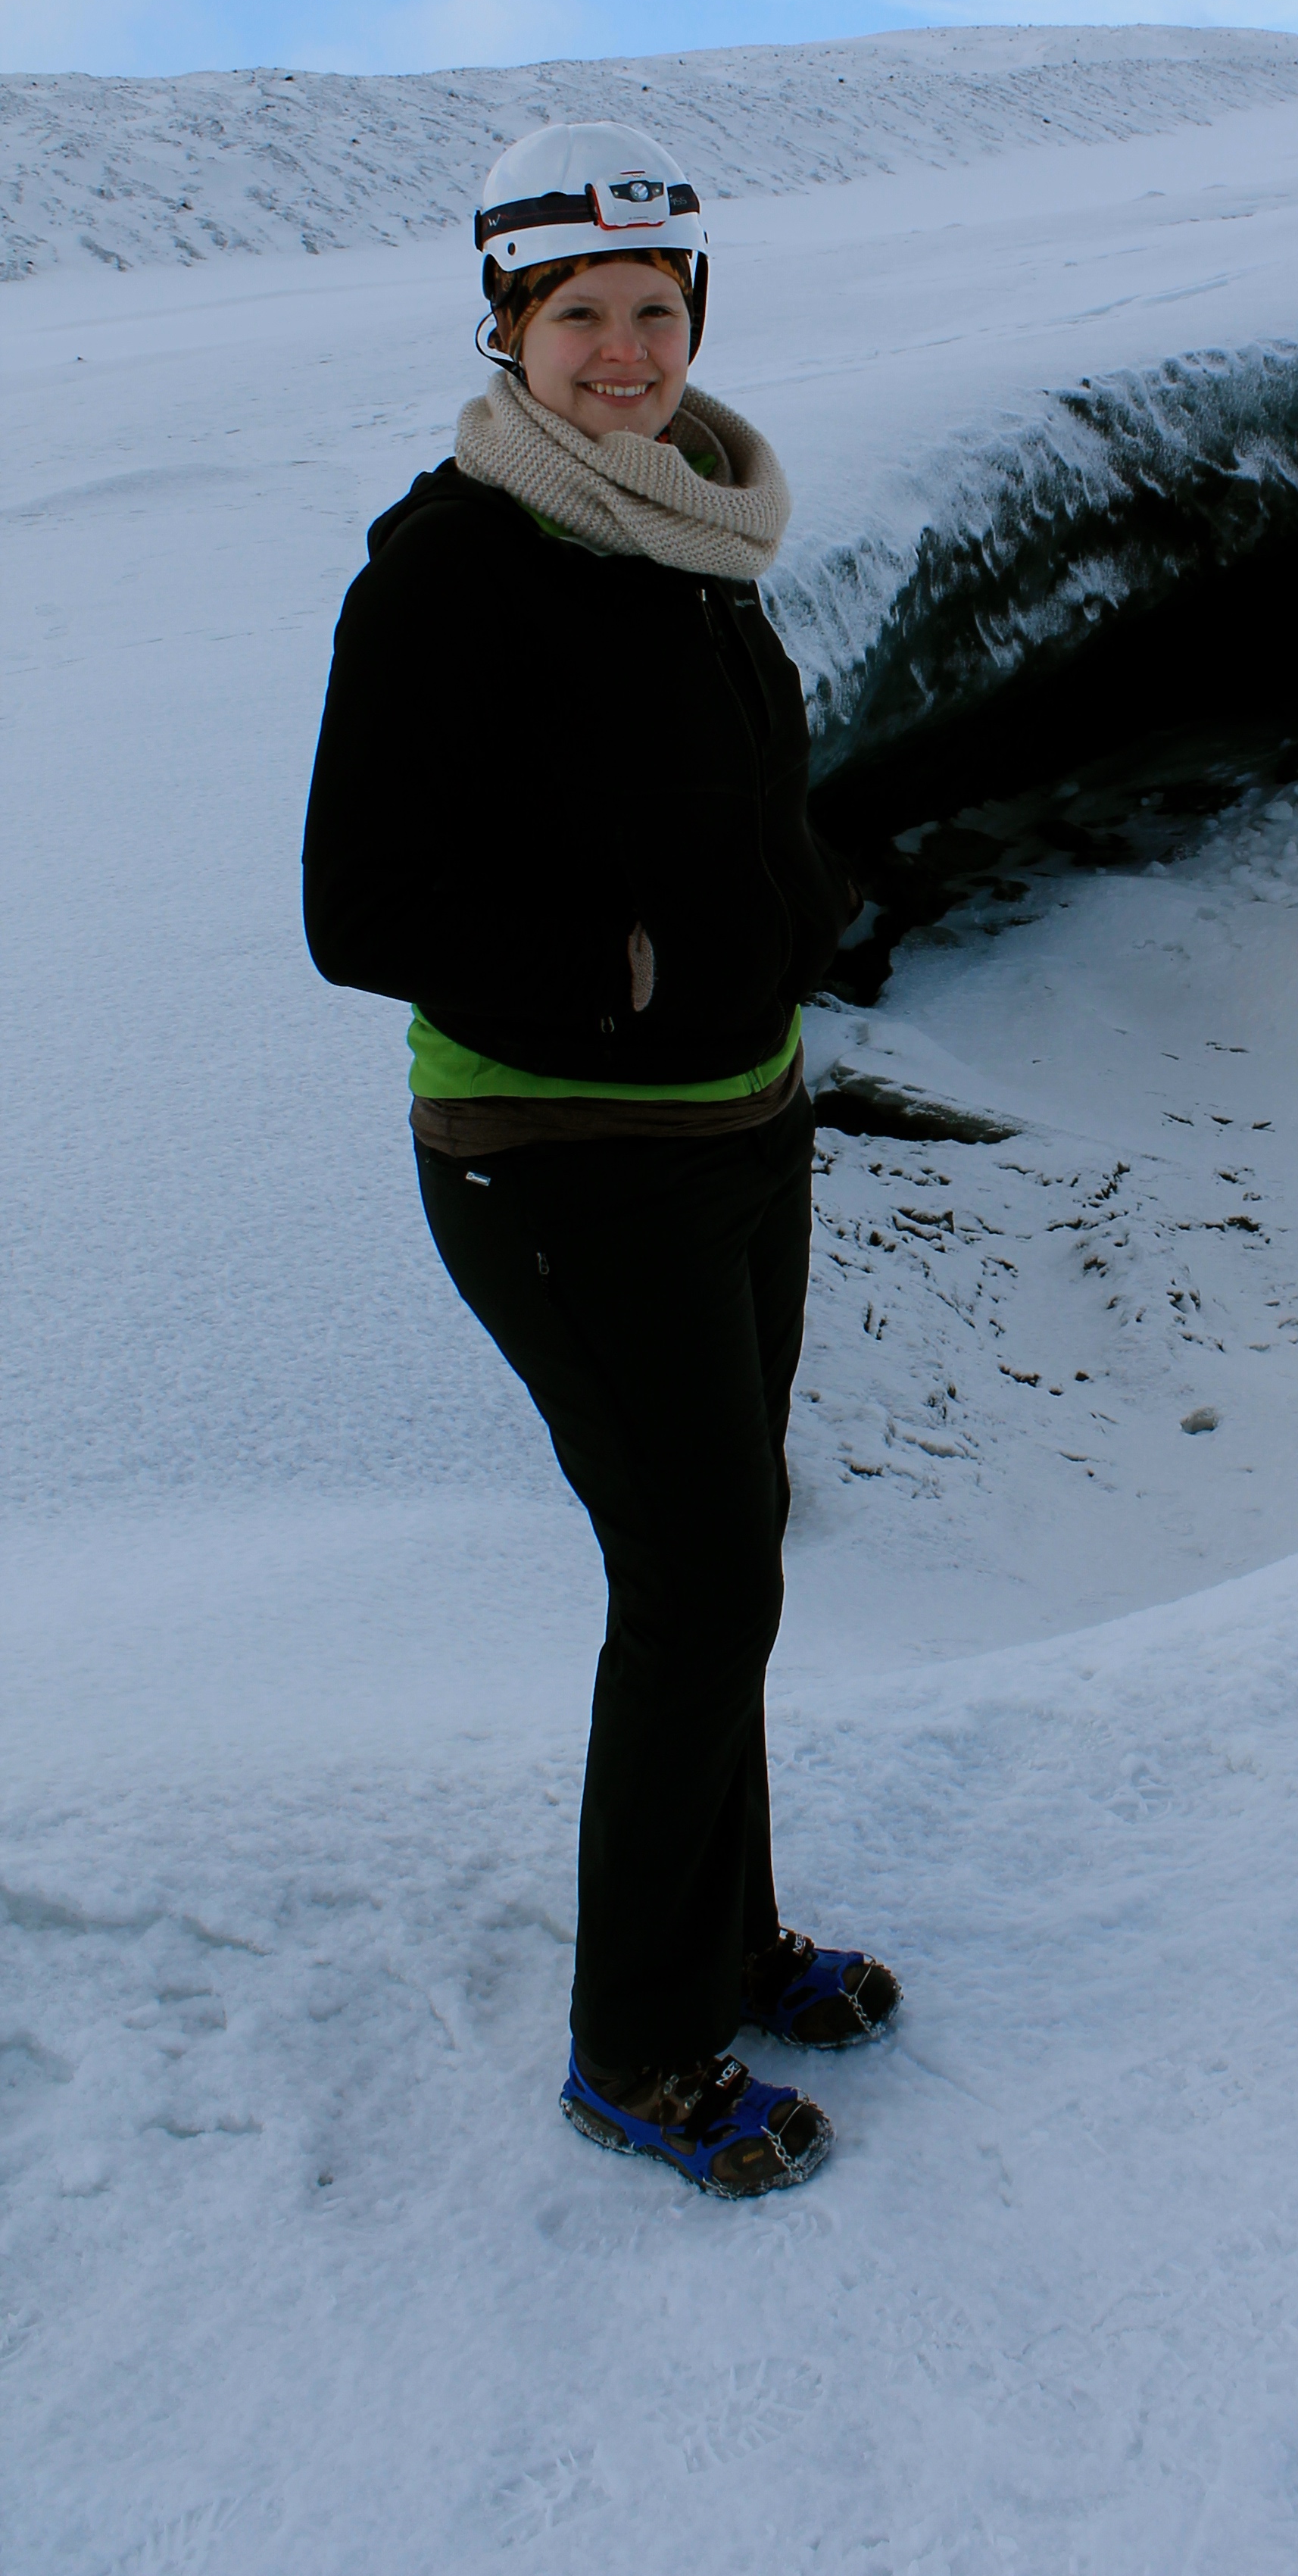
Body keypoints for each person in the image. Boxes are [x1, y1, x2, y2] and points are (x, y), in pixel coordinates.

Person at [303, 120, 897, 2200]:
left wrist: (802, 903)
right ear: (511, 328)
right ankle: (635, 2045)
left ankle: (724, 1943)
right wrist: (638, 972)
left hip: (745, 1128)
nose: (628, 352)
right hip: (554, 1150)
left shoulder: (691, 531)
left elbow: (738, 800)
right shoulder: (457, 558)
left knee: (730, 1569)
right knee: (694, 1576)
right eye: (583, 318)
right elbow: (359, 906)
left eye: (657, 311)